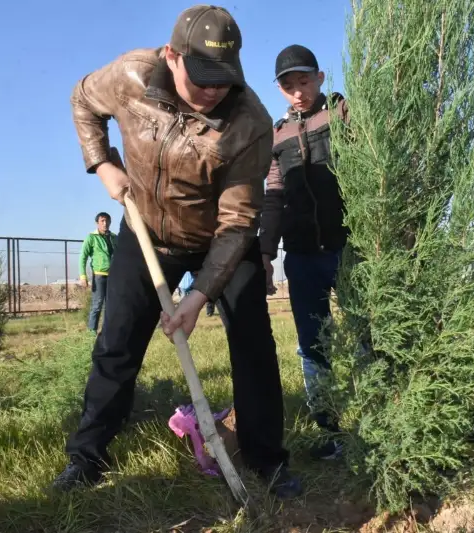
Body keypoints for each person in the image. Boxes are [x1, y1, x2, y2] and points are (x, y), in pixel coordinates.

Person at [53, 5, 301, 498]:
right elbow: (82, 99)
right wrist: (102, 164)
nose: (214, 90)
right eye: (203, 76)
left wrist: (197, 297)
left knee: (253, 344)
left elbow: (237, 223)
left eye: (223, 78)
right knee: (117, 344)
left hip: (220, 241)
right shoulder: (131, 76)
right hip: (146, 233)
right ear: (172, 56)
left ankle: (265, 459)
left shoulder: (249, 122)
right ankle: (87, 457)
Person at [259, 44, 349, 460]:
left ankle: (382, 421)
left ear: (320, 78)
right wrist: (265, 252)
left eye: (304, 81)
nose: (298, 92)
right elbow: (273, 196)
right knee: (313, 345)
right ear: (279, 89)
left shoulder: (344, 114)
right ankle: (329, 429)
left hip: (350, 250)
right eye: (288, 86)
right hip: (301, 256)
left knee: (369, 336)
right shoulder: (276, 135)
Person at [79, 212, 117, 332]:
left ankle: (107, 330)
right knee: (97, 304)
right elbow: (83, 257)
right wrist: (83, 276)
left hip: (114, 276)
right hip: (99, 276)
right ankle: (92, 331)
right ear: (97, 223)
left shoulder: (114, 237)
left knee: (111, 305)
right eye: (102, 221)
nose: (105, 223)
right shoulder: (91, 237)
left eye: (107, 221)